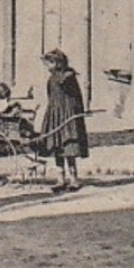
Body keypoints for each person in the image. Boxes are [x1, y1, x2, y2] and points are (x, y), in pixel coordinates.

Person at [40, 49, 89, 193]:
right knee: (57, 147)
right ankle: (60, 179)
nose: (47, 66)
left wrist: (77, 113)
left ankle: (74, 179)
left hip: (67, 116)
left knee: (69, 147)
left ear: (57, 63)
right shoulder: (51, 79)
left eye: (49, 63)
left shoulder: (68, 77)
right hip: (55, 115)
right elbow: (50, 96)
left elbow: (76, 96)